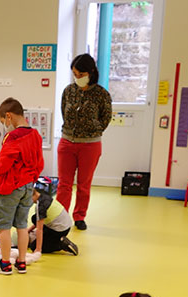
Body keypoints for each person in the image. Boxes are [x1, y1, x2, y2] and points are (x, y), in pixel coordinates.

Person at [57, 54, 112, 231]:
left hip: (90, 144)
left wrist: (93, 130)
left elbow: (106, 118)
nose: (77, 78)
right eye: (75, 74)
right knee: (64, 184)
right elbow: (63, 112)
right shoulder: (68, 91)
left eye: (81, 74)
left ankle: (79, 216)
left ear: (90, 73)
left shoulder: (101, 94)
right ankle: (61, 216)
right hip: (67, 142)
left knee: (84, 183)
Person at [0, 97, 44, 275]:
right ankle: (21, 262)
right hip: (27, 185)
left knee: (4, 226)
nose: (4, 125)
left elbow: (4, 164)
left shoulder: (12, 137)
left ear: (8, 116)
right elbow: (39, 162)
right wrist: (31, 178)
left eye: (3, 121)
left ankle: (4, 264)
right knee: (21, 225)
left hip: (10, 186)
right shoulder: (35, 134)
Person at [28, 180, 77, 255]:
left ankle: (61, 244)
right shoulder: (43, 195)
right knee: (34, 218)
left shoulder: (40, 206)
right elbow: (38, 220)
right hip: (65, 224)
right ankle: (50, 238)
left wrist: (38, 249)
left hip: (60, 230)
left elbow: (39, 229)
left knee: (33, 246)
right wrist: (28, 230)